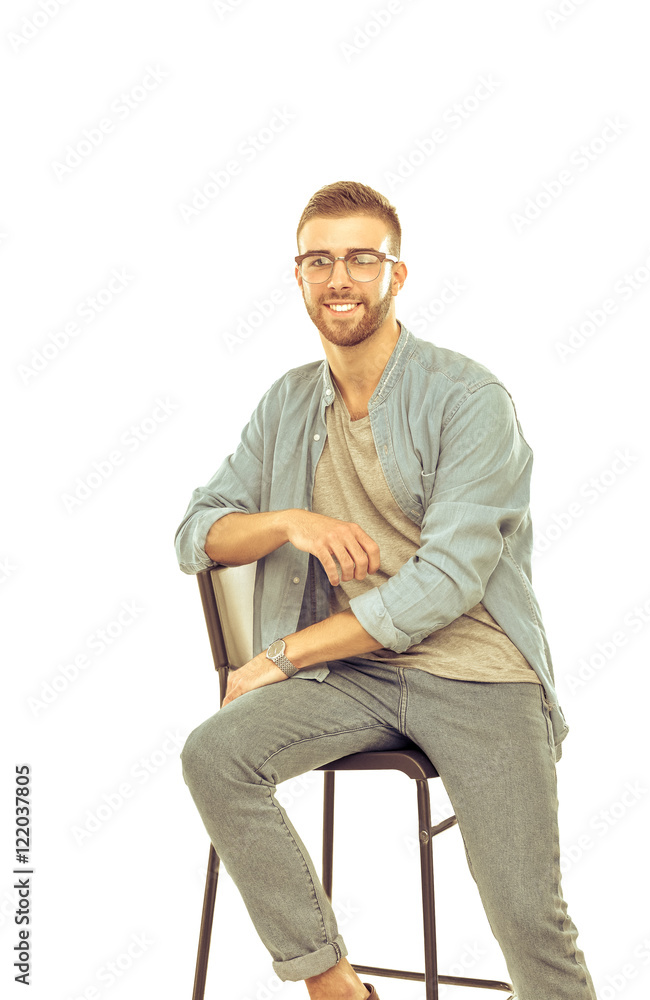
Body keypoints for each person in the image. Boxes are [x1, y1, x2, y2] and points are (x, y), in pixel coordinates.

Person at [175, 181, 598, 1000]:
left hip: (478, 673)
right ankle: (333, 984)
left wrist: (283, 654)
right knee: (214, 754)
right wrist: (291, 521)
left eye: (361, 259)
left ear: (395, 275)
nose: (339, 278)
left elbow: (444, 582)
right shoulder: (288, 402)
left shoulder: (468, 399)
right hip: (353, 677)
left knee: (527, 921)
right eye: (319, 260)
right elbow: (198, 531)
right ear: (298, 276)